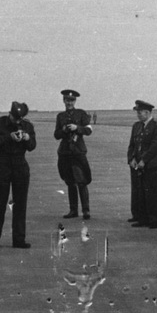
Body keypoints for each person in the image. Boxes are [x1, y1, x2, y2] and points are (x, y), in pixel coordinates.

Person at [0, 101, 36, 249]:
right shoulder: (0, 123)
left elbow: (33, 146)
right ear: (10, 114)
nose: (18, 121)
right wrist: (9, 137)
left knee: (20, 205)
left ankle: (19, 239)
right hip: (3, 163)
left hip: (20, 164)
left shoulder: (28, 126)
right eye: (15, 118)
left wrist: (27, 139)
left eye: (20, 119)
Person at [55, 89, 93, 220]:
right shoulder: (60, 116)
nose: (69, 102)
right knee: (70, 182)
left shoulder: (81, 114)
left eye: (71, 100)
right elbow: (56, 135)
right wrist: (64, 129)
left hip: (78, 152)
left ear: (75, 101)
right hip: (65, 152)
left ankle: (86, 210)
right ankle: (73, 210)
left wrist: (77, 128)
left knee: (82, 181)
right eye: (67, 100)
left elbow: (88, 130)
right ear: (64, 101)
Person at [127, 100, 157, 229]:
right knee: (139, 192)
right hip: (137, 165)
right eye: (137, 112)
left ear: (147, 112)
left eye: (140, 112)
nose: (138, 114)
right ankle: (142, 218)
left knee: (151, 192)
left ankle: (155, 220)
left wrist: (144, 160)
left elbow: (155, 147)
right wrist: (131, 159)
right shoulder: (136, 126)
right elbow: (132, 145)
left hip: (150, 165)